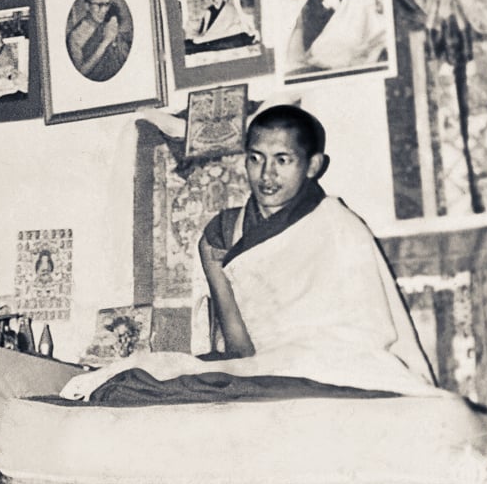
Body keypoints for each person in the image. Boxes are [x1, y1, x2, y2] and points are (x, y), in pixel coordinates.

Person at [61, 105, 434, 400]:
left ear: (313, 166)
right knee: (138, 383)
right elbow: (240, 347)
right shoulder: (223, 232)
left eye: (282, 160)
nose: (266, 175)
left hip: (335, 363)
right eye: (255, 158)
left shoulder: (340, 226)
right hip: (267, 366)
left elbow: (367, 334)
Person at [66, 0, 131, 82]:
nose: (104, 10)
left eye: (107, 4)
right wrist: (105, 42)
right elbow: (80, 71)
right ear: (87, 6)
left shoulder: (108, 23)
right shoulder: (75, 36)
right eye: (99, 5)